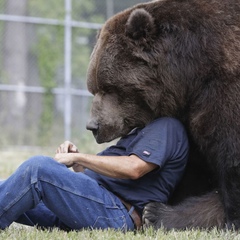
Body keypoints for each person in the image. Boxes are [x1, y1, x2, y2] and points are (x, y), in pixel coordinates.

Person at [0, 117, 188, 231]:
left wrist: (82, 158)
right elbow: (98, 178)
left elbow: (134, 168)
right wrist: (76, 162)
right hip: (91, 206)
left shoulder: (166, 126)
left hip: (116, 214)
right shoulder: (141, 131)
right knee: (10, 185)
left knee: (38, 169)